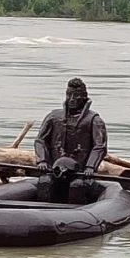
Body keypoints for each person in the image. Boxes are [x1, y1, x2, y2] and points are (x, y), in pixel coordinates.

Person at [33, 77, 108, 205]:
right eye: (69, 94)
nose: (72, 99)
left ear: (84, 96)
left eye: (76, 95)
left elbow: (99, 146)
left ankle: (77, 215)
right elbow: (40, 141)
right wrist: (43, 160)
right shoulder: (53, 117)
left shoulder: (94, 120)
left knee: (77, 186)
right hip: (54, 170)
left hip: (81, 173)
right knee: (44, 182)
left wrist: (90, 166)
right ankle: (41, 212)